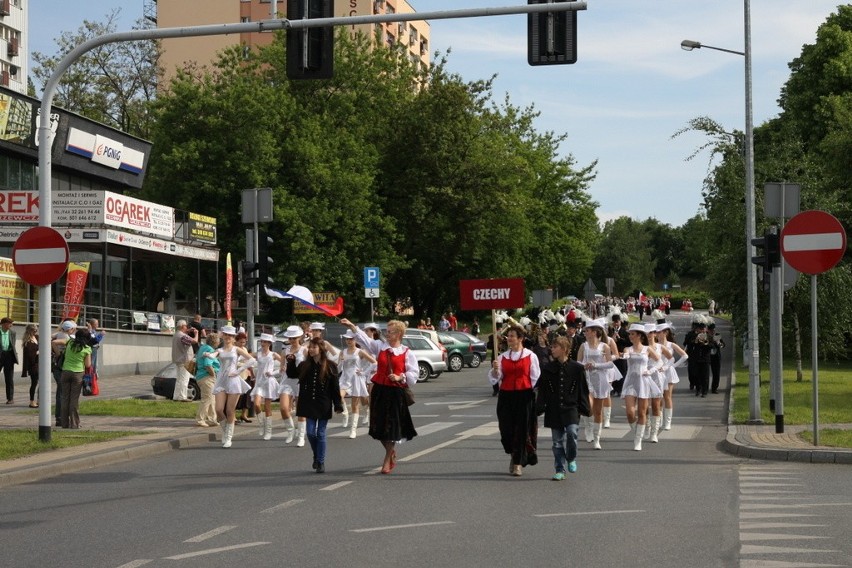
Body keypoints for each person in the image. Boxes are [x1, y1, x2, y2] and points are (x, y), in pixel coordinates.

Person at [340, 317, 418, 475]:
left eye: (390, 332)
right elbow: (364, 339)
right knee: (379, 426)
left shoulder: (406, 352)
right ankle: (391, 452)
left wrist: (400, 376)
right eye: (386, 331)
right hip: (380, 390)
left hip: (395, 392)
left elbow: (413, 374)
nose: (387, 334)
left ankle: (387, 458)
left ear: (399, 334)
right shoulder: (380, 346)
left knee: (392, 427)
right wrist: (352, 326)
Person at [488, 323, 541, 477]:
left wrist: (528, 391)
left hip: (524, 396)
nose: (509, 339)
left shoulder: (531, 356)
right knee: (506, 430)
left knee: (521, 430)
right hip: (506, 396)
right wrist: (495, 370)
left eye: (512, 336)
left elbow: (535, 377)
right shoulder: (502, 357)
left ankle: (517, 462)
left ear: (520, 339)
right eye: (508, 336)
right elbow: (495, 379)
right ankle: (512, 454)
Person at [536, 336, 590, 480]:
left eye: (555, 347)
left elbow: (583, 389)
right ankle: (560, 469)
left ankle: (571, 457)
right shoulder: (548, 369)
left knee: (572, 433)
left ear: (564, 349)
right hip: (554, 409)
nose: (551, 349)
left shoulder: (577, 368)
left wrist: (584, 407)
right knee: (557, 441)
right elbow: (543, 390)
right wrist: (539, 407)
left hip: (571, 407)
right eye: (551, 347)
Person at [286, 337, 344, 473]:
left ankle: (321, 461)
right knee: (310, 432)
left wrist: (338, 404)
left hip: (323, 403)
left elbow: (335, 387)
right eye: (310, 347)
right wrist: (291, 362)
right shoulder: (304, 365)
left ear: (321, 349)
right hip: (308, 402)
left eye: (314, 347)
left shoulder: (330, 365)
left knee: (321, 433)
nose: (311, 350)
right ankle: (316, 454)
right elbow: (292, 374)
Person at [620, 323, 662, 451]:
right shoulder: (629, 349)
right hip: (631, 381)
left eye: (633, 334)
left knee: (642, 412)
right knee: (630, 412)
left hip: (643, 381)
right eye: (630, 334)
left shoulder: (647, 349)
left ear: (639, 336)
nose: (630, 336)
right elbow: (626, 354)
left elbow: (659, 361)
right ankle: (637, 431)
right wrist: (625, 355)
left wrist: (651, 371)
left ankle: (638, 440)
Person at [212, 325, 255, 448]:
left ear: (233, 337)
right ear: (223, 336)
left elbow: (251, 360)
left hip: (233, 381)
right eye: (226, 335)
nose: (228, 337)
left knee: (230, 410)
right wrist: (208, 355)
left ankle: (228, 437)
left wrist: (238, 370)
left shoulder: (236, 349)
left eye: (230, 335)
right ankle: (225, 431)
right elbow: (214, 354)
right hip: (221, 380)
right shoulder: (220, 350)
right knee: (219, 409)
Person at [577, 318, 616, 449]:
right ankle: (588, 427)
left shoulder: (604, 346)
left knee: (598, 411)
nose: (585, 333)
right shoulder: (583, 346)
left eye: (587, 330)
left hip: (600, 379)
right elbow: (578, 363)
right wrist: (585, 365)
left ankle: (597, 439)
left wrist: (596, 365)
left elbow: (610, 363)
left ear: (594, 332)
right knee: (588, 406)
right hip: (586, 379)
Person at [53, 328, 92, 429]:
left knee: (65, 398)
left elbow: (54, 342)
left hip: (65, 372)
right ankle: (74, 424)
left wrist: (58, 355)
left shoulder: (69, 342)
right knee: (74, 400)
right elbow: (88, 365)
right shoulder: (87, 348)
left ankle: (64, 423)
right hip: (78, 374)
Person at [656, 323, 688, 430]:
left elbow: (685, 355)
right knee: (658, 396)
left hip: (668, 372)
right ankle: (659, 420)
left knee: (667, 396)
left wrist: (673, 366)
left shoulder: (671, 345)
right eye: (656, 332)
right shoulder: (655, 345)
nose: (657, 334)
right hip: (658, 372)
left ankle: (668, 422)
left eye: (659, 332)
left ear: (665, 333)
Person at [252, 333, 284, 440]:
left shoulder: (273, 354)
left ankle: (268, 431)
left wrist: (274, 372)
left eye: (265, 342)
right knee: (256, 404)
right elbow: (246, 356)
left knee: (267, 407)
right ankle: (261, 424)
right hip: (259, 382)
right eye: (262, 341)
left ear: (270, 343)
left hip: (269, 382)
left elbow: (284, 365)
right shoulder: (258, 354)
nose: (263, 343)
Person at [278, 325, 305, 444]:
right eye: (290, 338)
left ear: (299, 337)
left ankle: (301, 436)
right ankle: (290, 430)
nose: (292, 340)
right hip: (287, 381)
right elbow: (281, 367)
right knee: (283, 408)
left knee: (301, 410)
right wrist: (282, 367)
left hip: (300, 381)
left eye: (294, 338)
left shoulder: (305, 350)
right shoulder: (285, 351)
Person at [51, 320, 77, 426]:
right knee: (63, 394)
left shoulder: (58, 334)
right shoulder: (67, 338)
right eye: (73, 329)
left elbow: (50, 338)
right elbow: (53, 342)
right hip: (63, 366)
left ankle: (60, 417)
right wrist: (59, 354)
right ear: (70, 329)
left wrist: (56, 353)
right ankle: (61, 417)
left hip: (57, 366)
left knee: (60, 392)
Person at [194, 332, 221, 427]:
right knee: (207, 398)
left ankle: (212, 419)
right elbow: (208, 364)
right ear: (215, 342)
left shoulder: (203, 347)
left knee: (212, 399)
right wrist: (213, 374)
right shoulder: (210, 349)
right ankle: (200, 419)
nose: (219, 343)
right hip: (207, 377)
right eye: (218, 341)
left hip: (201, 376)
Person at [172, 319, 198, 402]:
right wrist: (196, 334)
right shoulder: (182, 336)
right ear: (183, 326)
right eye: (186, 326)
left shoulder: (176, 334)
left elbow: (184, 338)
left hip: (178, 360)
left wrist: (187, 331)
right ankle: (183, 397)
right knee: (185, 379)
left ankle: (176, 396)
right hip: (185, 360)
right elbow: (194, 341)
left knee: (179, 379)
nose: (187, 327)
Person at [234, 331, 255, 423]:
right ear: (236, 341)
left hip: (246, 374)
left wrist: (252, 372)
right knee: (236, 396)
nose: (242, 344)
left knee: (247, 396)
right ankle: (233, 415)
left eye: (244, 342)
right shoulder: (234, 349)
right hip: (237, 375)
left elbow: (249, 361)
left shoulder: (245, 350)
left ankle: (244, 414)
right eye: (241, 342)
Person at [1, 317, 18, 404]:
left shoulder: (12, 333)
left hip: (9, 356)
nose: (11, 325)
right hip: (0, 354)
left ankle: (10, 398)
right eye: (9, 323)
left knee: (9, 378)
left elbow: (13, 345)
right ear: (4, 324)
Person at [21, 324, 39, 408]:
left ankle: (39, 400)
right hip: (33, 365)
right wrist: (38, 353)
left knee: (42, 383)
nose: (35, 332)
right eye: (34, 330)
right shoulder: (27, 342)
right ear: (29, 331)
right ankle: (32, 401)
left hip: (39, 364)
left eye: (36, 330)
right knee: (34, 383)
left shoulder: (37, 337)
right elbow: (29, 356)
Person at [707, 323, 725, 394]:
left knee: (716, 373)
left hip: (716, 357)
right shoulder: (706, 336)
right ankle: (704, 387)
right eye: (711, 330)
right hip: (707, 356)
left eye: (713, 330)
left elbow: (723, 345)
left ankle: (714, 388)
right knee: (705, 373)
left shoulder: (717, 335)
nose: (713, 332)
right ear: (708, 330)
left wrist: (719, 343)